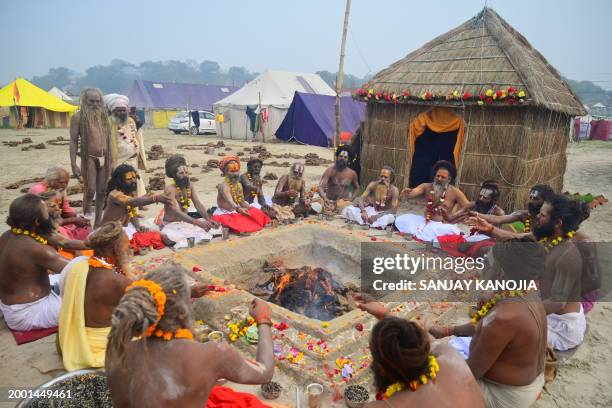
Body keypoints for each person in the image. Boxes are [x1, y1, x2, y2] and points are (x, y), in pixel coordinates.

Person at [106, 266, 275, 407]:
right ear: (182, 312)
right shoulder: (214, 355)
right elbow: (265, 372)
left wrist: (187, 293)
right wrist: (263, 319)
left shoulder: (116, 348)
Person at [430, 240, 548, 408]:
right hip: (526, 383)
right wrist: (448, 330)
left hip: (504, 394)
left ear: (501, 271)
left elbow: (471, 372)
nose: (485, 269)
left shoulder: (504, 317)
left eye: (489, 264)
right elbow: (482, 324)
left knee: (428, 379)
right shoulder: (527, 291)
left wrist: (436, 350)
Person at [354, 295, 484, 407]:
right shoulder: (450, 356)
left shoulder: (386, 405)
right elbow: (426, 339)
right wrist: (383, 313)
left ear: (381, 369)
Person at [0, 194, 81, 331]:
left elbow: (63, 242)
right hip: (28, 313)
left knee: (58, 279)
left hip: (10, 306)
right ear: (37, 222)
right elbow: (79, 270)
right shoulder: (38, 249)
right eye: (46, 214)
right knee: (90, 302)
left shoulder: (7, 235)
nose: (49, 216)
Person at [58, 222, 132, 371]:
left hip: (75, 338)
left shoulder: (78, 266)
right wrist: (125, 265)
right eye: (126, 246)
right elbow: (145, 301)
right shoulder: (117, 282)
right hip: (98, 345)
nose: (129, 249)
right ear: (116, 249)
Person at [533, 194, 589, 351]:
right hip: (548, 312)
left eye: (542, 215)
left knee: (508, 324)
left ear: (557, 223)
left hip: (561, 330)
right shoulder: (549, 243)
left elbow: (557, 302)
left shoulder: (567, 256)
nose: (537, 216)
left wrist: (522, 311)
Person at [70, 87, 116, 226]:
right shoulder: (78, 116)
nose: (95, 104)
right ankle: (86, 221)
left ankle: (98, 223)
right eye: (91, 101)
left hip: (105, 158)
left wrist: (112, 161)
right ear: (84, 101)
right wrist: (73, 164)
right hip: (88, 157)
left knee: (102, 191)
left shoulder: (104, 116)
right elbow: (73, 141)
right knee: (90, 190)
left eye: (97, 101)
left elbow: (109, 140)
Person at [395, 160, 470, 242]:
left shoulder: (455, 192)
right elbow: (414, 192)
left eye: (443, 177)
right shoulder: (426, 186)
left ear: (449, 179)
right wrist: (408, 192)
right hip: (424, 220)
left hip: (441, 225)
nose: (439, 179)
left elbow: (468, 206)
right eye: (438, 176)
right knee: (402, 219)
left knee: (448, 230)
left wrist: (456, 216)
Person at [160, 155, 221, 248]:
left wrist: (208, 219)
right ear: (174, 175)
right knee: (168, 238)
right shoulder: (170, 190)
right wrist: (198, 223)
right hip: (170, 224)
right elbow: (178, 212)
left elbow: (198, 204)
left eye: (186, 172)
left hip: (186, 222)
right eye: (181, 173)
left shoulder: (190, 186)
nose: (185, 175)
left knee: (213, 228)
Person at [99, 164, 171, 242]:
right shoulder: (115, 194)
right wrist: (156, 198)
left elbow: (131, 213)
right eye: (129, 179)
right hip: (110, 231)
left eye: (134, 178)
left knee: (158, 235)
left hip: (125, 227)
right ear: (120, 181)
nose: (133, 181)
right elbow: (133, 202)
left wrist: (138, 227)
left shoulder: (130, 192)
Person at [29, 165, 91, 240]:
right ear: (51, 180)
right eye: (61, 182)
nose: (65, 185)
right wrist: (73, 220)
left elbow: (66, 210)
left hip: (57, 221)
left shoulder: (59, 190)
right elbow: (45, 221)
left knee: (85, 226)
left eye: (67, 182)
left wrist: (78, 217)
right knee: (64, 234)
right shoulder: (39, 191)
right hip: (44, 227)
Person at [211, 156, 270, 233]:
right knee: (242, 222)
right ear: (224, 173)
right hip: (224, 213)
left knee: (258, 213)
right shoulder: (223, 186)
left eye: (236, 171)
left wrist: (251, 209)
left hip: (237, 210)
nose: (235, 174)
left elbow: (241, 201)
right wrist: (239, 209)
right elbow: (230, 201)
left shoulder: (238, 185)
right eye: (232, 171)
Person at [104, 93, 148, 197]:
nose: (122, 112)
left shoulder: (131, 121)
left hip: (132, 159)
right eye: (118, 110)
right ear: (112, 111)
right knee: (122, 184)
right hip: (118, 161)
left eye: (123, 110)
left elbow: (136, 137)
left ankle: (137, 204)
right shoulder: (108, 123)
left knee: (134, 181)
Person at [316, 145, 360, 213]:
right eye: (341, 156)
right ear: (337, 157)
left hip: (342, 203)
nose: (342, 158)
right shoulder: (330, 170)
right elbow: (320, 187)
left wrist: (351, 199)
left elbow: (357, 188)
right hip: (328, 201)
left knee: (351, 211)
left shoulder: (352, 173)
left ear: (348, 160)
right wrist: (325, 198)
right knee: (315, 207)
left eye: (345, 157)